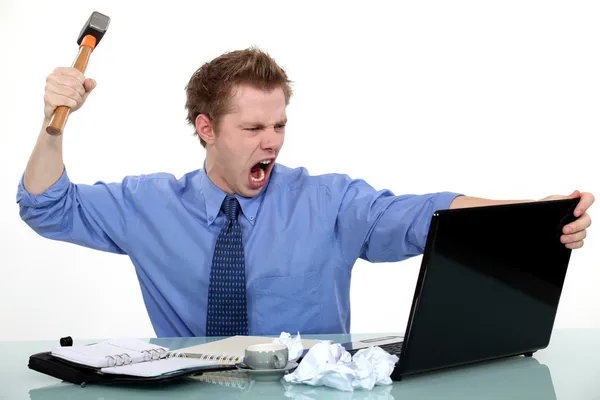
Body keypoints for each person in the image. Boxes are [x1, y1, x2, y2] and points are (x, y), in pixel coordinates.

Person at [17, 48, 594, 338]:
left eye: (279, 125)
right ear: (206, 129)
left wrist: (528, 214)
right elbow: (46, 206)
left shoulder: (329, 202)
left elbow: (424, 213)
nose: (271, 143)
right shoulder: (146, 205)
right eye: (252, 129)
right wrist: (53, 121)